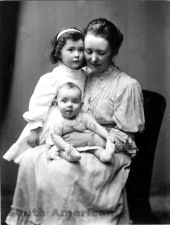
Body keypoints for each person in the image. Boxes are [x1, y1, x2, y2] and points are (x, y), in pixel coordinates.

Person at [5, 18, 145, 225]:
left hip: (107, 149)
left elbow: (127, 136)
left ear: (114, 52)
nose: (93, 59)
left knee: (61, 170)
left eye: (101, 53)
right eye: (88, 51)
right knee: (30, 159)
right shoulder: (80, 75)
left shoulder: (127, 85)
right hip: (70, 140)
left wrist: (88, 139)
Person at [3, 27, 90, 163]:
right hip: (53, 123)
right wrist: (34, 130)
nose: (77, 55)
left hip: (75, 121)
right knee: (46, 157)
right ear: (59, 52)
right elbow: (39, 103)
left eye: (81, 50)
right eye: (71, 50)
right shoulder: (54, 77)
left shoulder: (85, 74)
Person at [45, 82, 115, 162]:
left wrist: (107, 136)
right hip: (65, 146)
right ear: (56, 104)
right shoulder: (57, 120)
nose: (69, 105)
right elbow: (55, 137)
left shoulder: (83, 117)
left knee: (95, 149)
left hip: (84, 144)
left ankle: (106, 155)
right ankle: (71, 156)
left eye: (74, 101)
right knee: (60, 151)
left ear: (81, 105)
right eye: (64, 101)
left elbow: (95, 126)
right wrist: (66, 147)